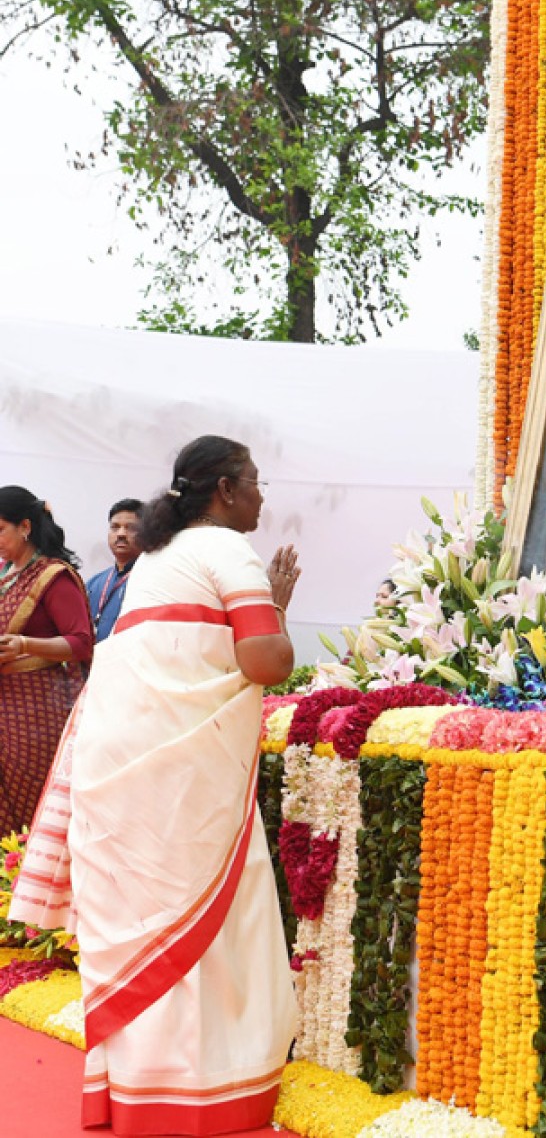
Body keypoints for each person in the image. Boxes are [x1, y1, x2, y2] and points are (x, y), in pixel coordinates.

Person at [10, 436, 300, 1135]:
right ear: (225, 490)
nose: (261, 497)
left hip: (119, 765)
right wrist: (278, 605)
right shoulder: (227, 550)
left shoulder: (155, 558)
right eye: (255, 482)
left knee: (140, 918)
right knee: (208, 918)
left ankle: (133, 1092)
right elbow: (265, 663)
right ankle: (201, 1091)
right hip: (182, 776)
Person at [0, 487, 92, 834]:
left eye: (0, 530)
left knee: (28, 803)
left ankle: (25, 865)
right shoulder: (5, 572)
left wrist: (26, 644)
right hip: (4, 703)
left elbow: (81, 642)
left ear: (25, 526)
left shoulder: (53, 575)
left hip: (34, 711)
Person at [85, 498, 145, 642]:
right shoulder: (93, 584)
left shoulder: (151, 579)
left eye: (131, 528)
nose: (121, 534)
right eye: (115, 527)